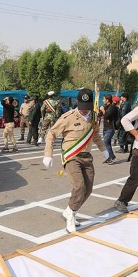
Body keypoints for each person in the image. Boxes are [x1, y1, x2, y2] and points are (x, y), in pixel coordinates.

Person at [42, 88, 108, 233]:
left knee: (88, 189)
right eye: (82, 108)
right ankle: (71, 215)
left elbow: (95, 135)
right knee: (79, 186)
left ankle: (69, 210)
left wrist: (103, 149)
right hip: (72, 156)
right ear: (77, 103)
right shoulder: (68, 117)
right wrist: (48, 153)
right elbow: (52, 133)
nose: (84, 111)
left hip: (87, 157)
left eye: (87, 108)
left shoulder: (94, 117)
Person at [100, 94, 118, 164]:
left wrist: (103, 110)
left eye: (104, 99)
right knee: (107, 143)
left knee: (106, 141)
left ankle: (111, 156)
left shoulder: (112, 107)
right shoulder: (106, 106)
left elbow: (107, 115)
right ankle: (109, 156)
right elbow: (101, 114)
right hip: (105, 127)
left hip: (110, 127)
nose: (103, 100)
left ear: (107, 100)